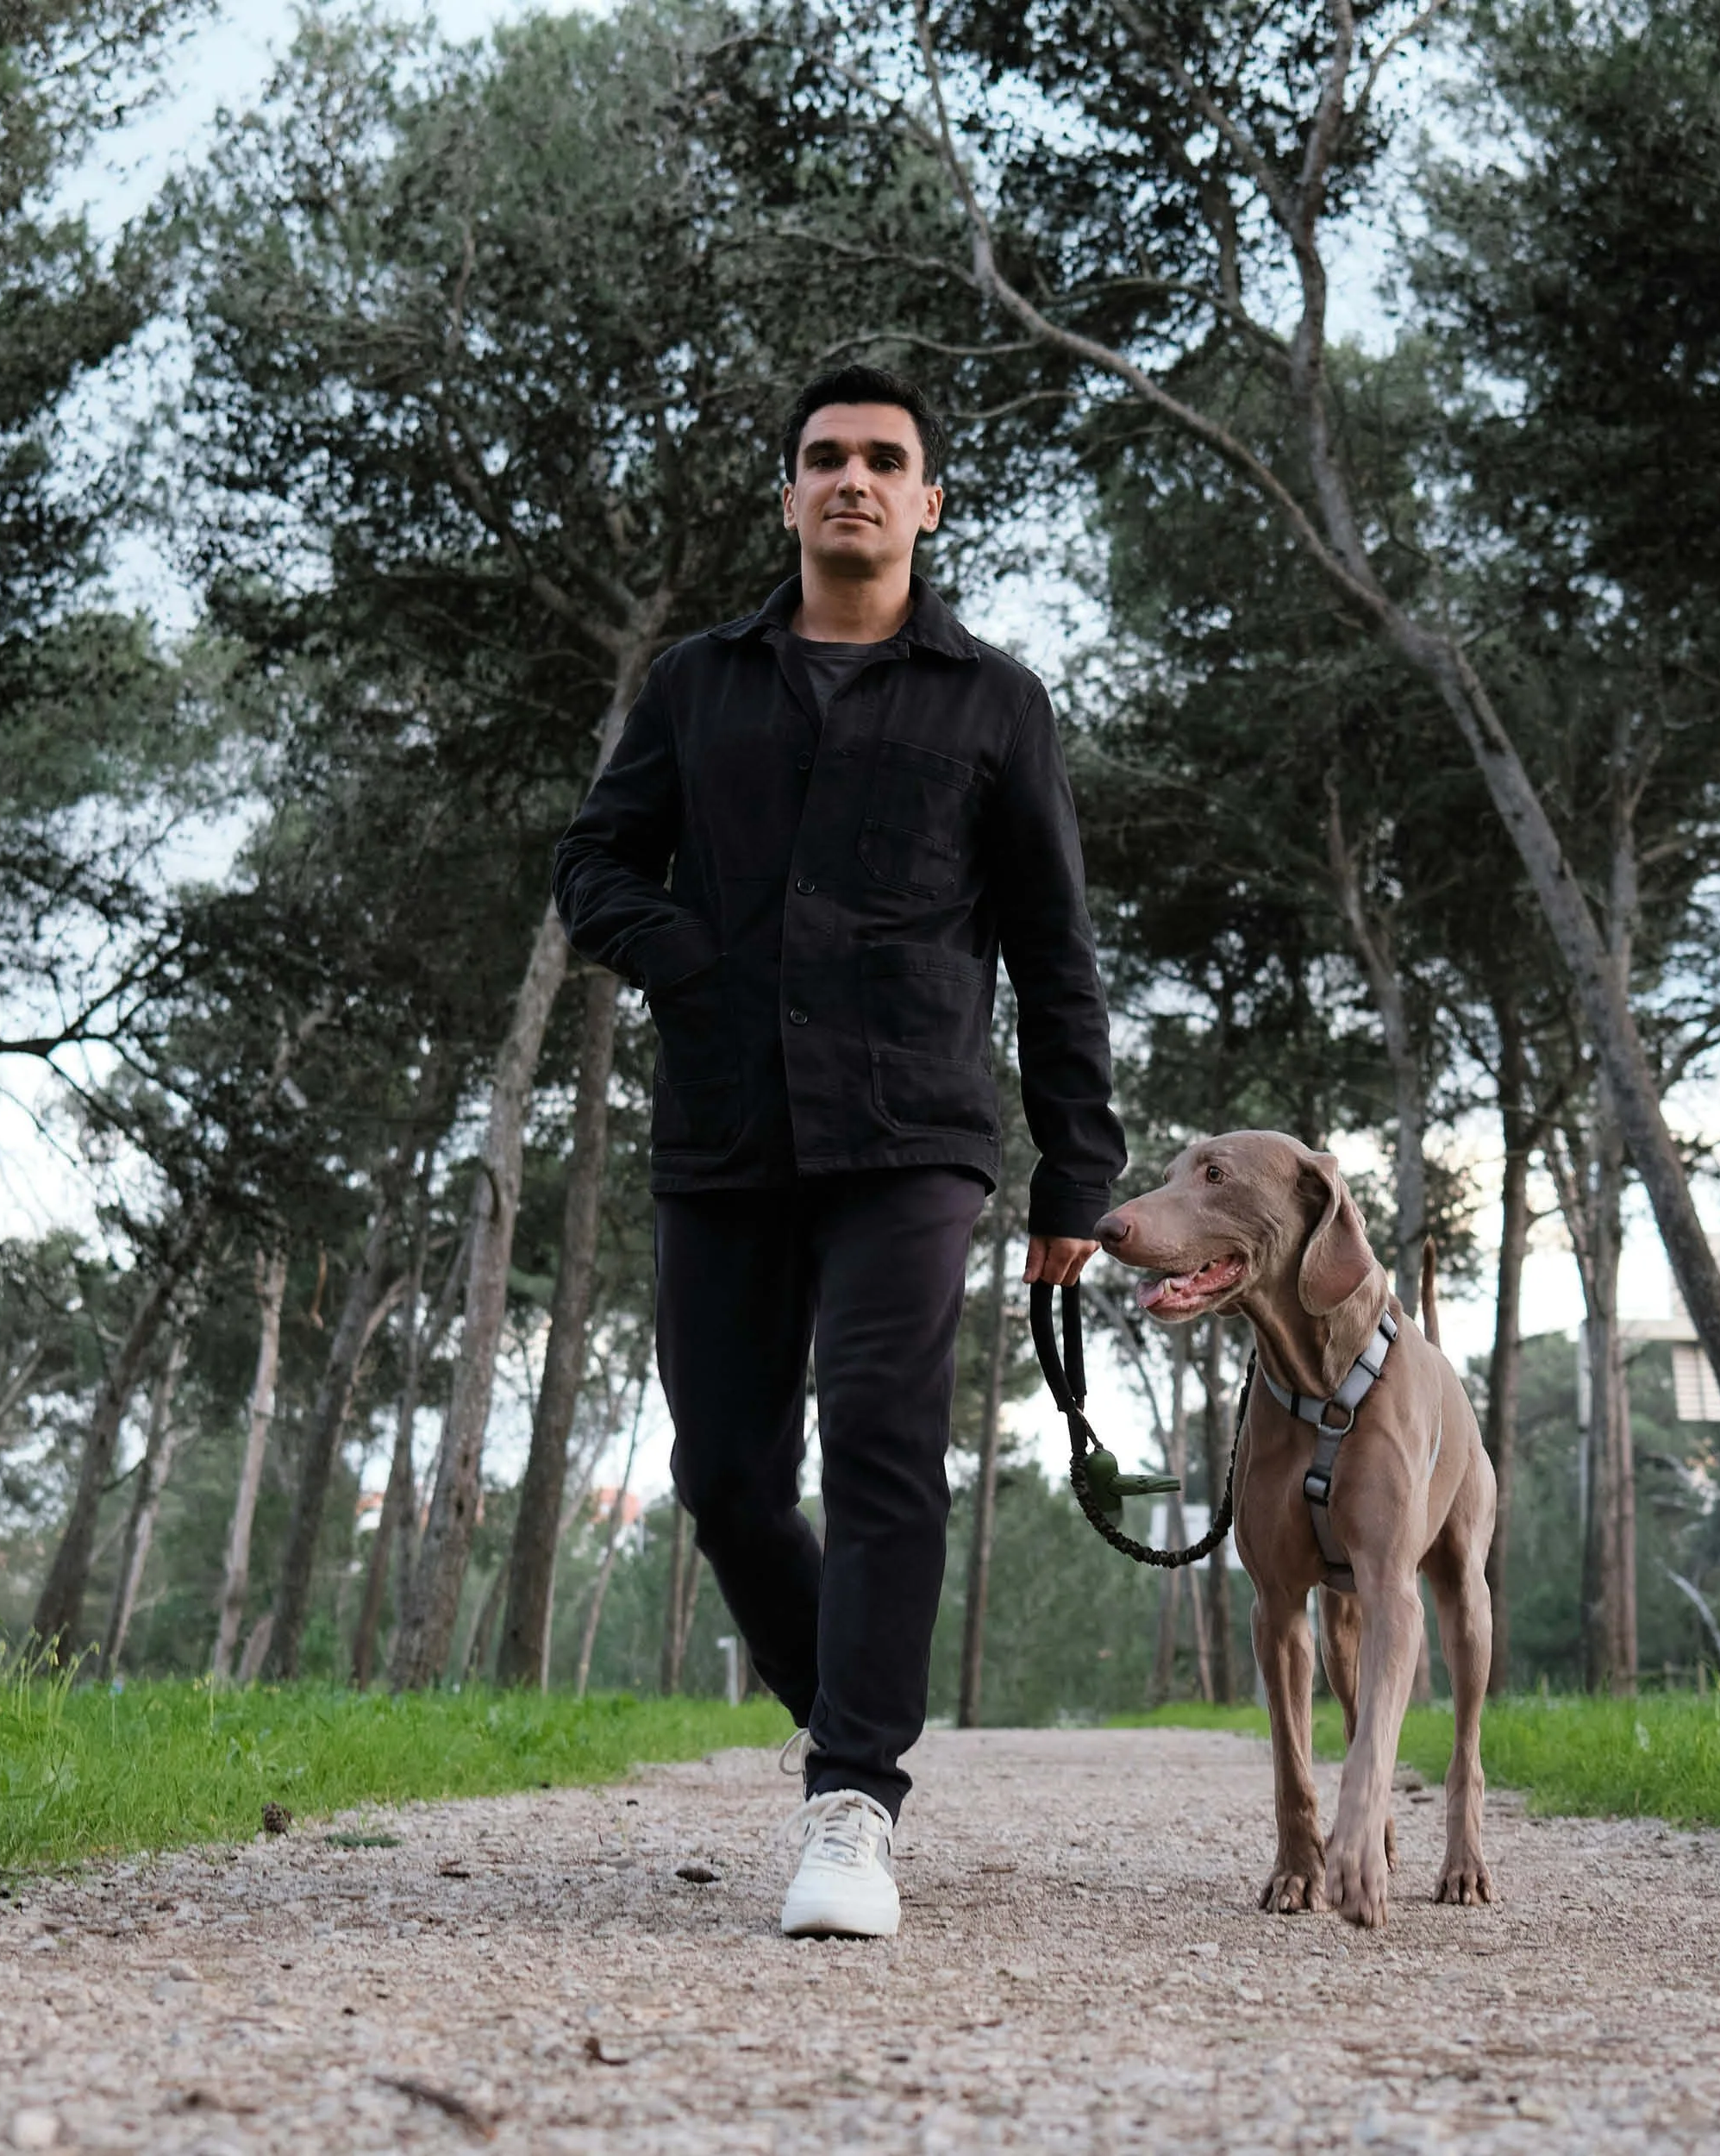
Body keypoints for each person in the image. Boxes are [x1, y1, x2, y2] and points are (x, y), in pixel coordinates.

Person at [552, 364, 1123, 1937]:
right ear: (789, 496)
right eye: (825, 460)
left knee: (880, 1431)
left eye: (886, 460)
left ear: (929, 503)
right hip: (725, 1129)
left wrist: (1076, 1176)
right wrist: (690, 958)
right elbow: (592, 862)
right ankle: (849, 1721)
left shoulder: (995, 702)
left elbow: (1055, 947)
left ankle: (852, 1799)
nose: (853, 480)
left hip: (911, 1134)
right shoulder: (697, 684)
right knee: (727, 1474)